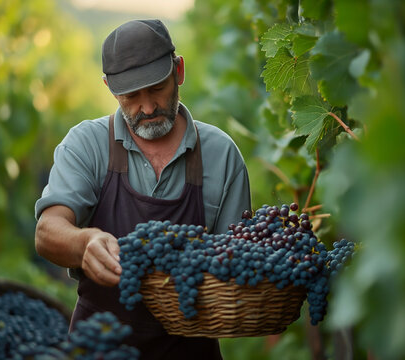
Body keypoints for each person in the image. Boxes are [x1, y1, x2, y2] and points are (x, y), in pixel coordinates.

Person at [34, 19, 251, 359]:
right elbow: (47, 232)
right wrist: (84, 242)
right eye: (131, 96)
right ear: (109, 87)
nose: (147, 107)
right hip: (98, 350)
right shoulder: (86, 144)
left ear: (178, 71)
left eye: (157, 89)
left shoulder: (221, 155)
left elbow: (238, 267)